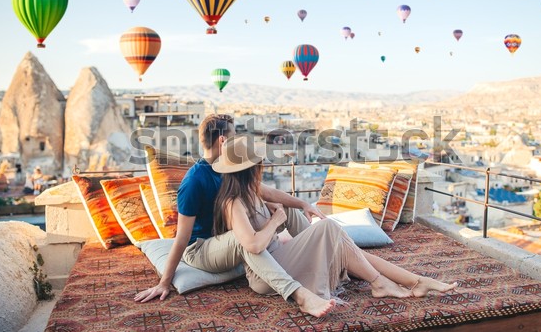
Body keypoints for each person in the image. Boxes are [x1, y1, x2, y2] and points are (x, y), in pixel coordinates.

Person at [211, 136, 458, 307]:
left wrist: (304, 205)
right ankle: (381, 282)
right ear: (251, 167)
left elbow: (277, 195)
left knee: (341, 243)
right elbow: (253, 246)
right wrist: (275, 221)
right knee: (329, 228)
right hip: (267, 275)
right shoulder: (233, 203)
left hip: (282, 257)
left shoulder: (251, 188)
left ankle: (414, 281)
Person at [135, 114, 335, 317]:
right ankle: (300, 295)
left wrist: (303, 204)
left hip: (228, 239)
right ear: (222, 140)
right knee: (243, 239)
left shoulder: (229, 167)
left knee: (284, 208)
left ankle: (328, 255)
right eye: (234, 136)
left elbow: (266, 191)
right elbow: (182, 238)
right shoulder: (194, 181)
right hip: (202, 249)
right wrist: (164, 282)